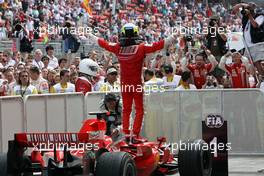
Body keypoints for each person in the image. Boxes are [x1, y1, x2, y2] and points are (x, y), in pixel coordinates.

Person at [87, 23, 177, 139]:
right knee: (139, 110)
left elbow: (102, 43)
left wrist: (88, 34)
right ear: (136, 34)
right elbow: (158, 45)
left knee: (126, 109)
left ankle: (125, 133)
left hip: (125, 84)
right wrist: (173, 36)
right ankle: (135, 134)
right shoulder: (141, 48)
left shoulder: (118, 48)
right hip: (137, 85)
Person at [233, 2, 264, 76]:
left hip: (256, 43)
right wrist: (242, 5)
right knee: (246, 63)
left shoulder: (260, 16)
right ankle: (257, 80)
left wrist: (249, 15)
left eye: (249, 9)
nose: (247, 10)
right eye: (247, 9)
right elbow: (234, 9)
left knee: (258, 63)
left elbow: (255, 25)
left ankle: (262, 79)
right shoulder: (245, 17)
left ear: (253, 9)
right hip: (247, 45)